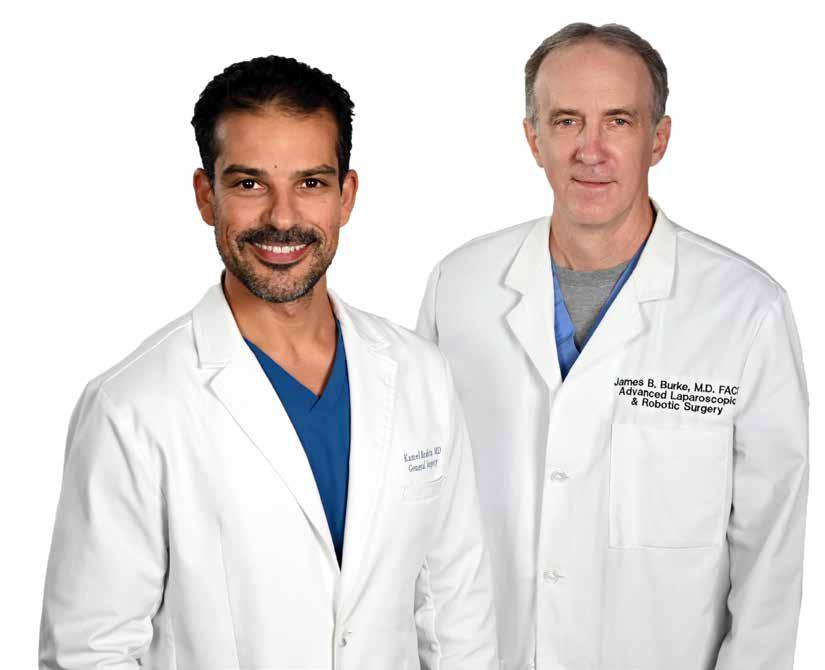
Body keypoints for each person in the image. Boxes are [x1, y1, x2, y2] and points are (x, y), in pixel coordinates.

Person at [40, 55, 498, 670]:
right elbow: (90, 653)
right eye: (249, 184)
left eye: (310, 184)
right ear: (206, 196)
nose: (282, 218)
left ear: (346, 196)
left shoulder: (420, 374)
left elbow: (457, 616)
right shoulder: (133, 407)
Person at [417, 23, 808, 670]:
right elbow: (421, 508)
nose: (590, 150)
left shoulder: (744, 310)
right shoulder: (459, 288)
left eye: (618, 122)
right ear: (533, 139)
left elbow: (771, 552)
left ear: (658, 139)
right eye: (566, 121)